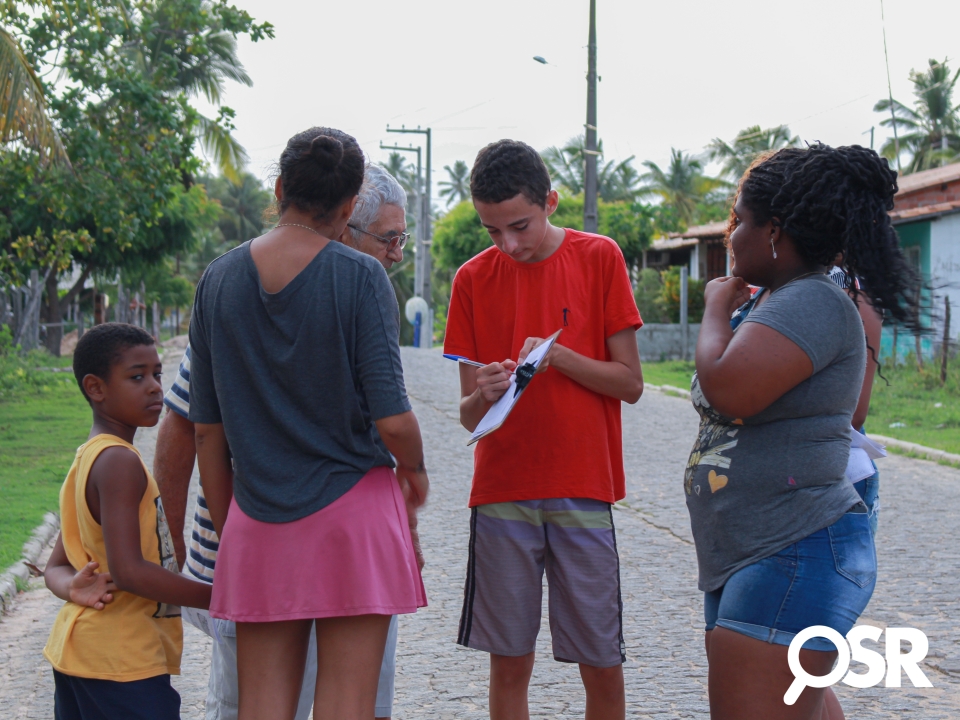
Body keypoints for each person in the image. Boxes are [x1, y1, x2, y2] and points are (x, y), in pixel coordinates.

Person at [153, 162, 413, 720]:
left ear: (278, 190)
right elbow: (394, 421)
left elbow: (200, 429)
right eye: (388, 239)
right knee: (351, 703)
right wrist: (415, 474)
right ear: (348, 210)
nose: (394, 254)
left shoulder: (221, 280)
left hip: (257, 522)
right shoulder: (362, 283)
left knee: (257, 704)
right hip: (351, 521)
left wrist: (232, 532)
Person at [686, 144, 920, 720]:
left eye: (740, 219)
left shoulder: (813, 300)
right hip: (761, 549)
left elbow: (729, 389)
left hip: (790, 548)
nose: (730, 234)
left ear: (775, 230)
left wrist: (714, 307)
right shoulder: (780, 299)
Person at [444, 139, 643, 720]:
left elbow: (630, 383)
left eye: (519, 226)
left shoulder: (599, 257)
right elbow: (468, 417)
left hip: (583, 486)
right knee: (509, 664)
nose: (508, 244)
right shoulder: (471, 279)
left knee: (600, 661)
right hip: (502, 490)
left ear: (550, 202)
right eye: (492, 230)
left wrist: (560, 358)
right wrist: (482, 393)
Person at [43, 323, 213, 720]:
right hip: (122, 662)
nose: (155, 387)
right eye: (137, 377)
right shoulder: (119, 462)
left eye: (157, 374)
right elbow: (130, 571)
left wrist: (73, 587)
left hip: (80, 654)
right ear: (96, 388)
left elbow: (55, 567)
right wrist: (220, 597)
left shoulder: (89, 456)